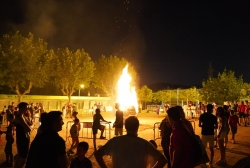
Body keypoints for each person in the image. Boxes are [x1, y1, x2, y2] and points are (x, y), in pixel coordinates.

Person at [94, 116, 167, 168]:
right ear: (137, 127)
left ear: (125, 127)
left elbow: (98, 154)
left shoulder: (115, 141)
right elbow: (163, 160)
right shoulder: (145, 144)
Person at [14, 102, 31, 168]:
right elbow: (28, 128)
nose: (27, 109)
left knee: (19, 156)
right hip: (23, 139)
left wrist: (27, 117)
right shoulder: (20, 118)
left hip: (22, 138)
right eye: (26, 108)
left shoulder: (22, 116)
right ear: (21, 108)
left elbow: (30, 123)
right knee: (23, 158)